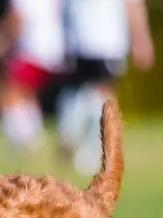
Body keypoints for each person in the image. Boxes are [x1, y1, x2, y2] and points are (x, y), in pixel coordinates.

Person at [56, 0, 155, 174]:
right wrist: (141, 38)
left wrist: (140, 38)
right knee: (100, 93)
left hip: (88, 39)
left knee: (88, 90)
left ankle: (72, 131)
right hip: (101, 41)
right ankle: (84, 146)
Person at [0, 0, 66, 158]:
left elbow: (16, 20)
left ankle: (23, 141)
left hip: (32, 50)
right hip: (55, 49)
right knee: (25, 93)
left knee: (5, 90)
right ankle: (32, 137)